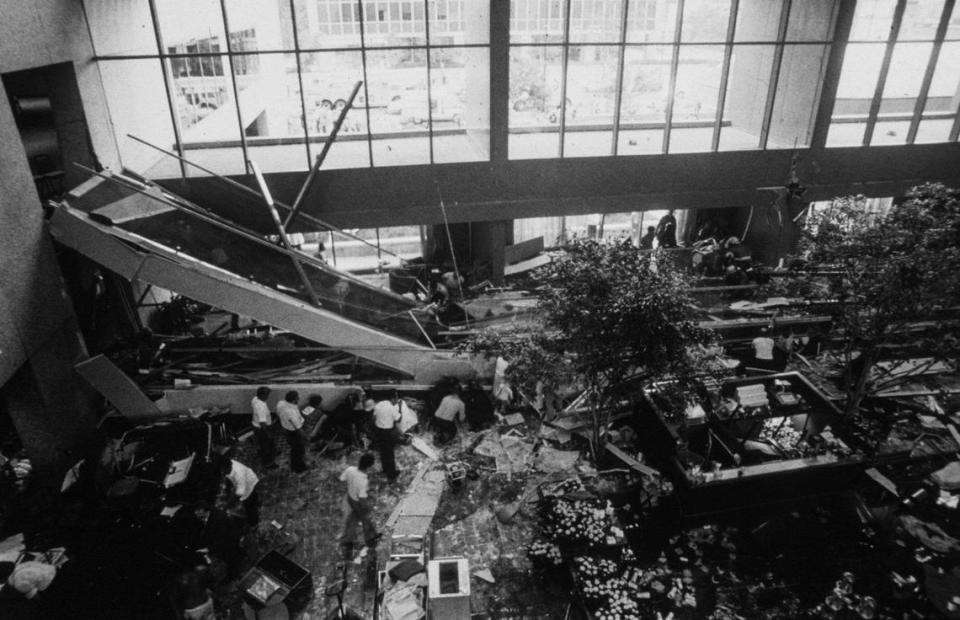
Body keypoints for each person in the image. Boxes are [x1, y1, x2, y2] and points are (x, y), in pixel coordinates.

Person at [338, 452, 381, 557]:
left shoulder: (350, 470)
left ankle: (369, 535)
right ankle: (369, 537)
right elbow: (362, 497)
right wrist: (366, 507)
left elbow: (342, 479)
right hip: (358, 502)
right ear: (369, 466)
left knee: (354, 519)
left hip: (350, 498)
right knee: (365, 518)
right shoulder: (363, 480)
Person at [221, 457, 261, 527]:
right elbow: (228, 477)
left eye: (224, 471)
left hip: (248, 484)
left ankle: (253, 523)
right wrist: (227, 488)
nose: (222, 473)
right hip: (246, 479)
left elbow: (239, 493)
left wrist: (227, 506)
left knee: (249, 506)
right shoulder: (226, 464)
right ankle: (256, 503)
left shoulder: (239, 473)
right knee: (253, 498)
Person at [370, 393, 401, 481]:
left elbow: (373, 417)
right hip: (387, 432)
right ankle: (391, 474)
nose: (396, 401)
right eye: (396, 399)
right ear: (393, 399)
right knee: (390, 453)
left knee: (383, 451)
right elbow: (398, 419)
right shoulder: (392, 408)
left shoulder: (378, 405)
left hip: (379, 431)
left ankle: (384, 469)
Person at [276, 390, 308, 473]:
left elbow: (278, 414)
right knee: (298, 450)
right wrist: (306, 437)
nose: (299, 398)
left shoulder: (281, 403)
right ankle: (298, 468)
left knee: (294, 448)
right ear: (294, 399)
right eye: (298, 398)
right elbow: (298, 429)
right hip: (294, 433)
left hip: (286, 429)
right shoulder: (291, 412)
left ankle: (296, 465)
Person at [250, 387, 277, 470]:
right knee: (265, 445)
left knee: (265, 443)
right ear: (262, 395)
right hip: (262, 429)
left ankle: (272, 452)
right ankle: (268, 463)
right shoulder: (260, 407)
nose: (268, 396)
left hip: (256, 425)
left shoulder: (255, 399)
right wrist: (268, 434)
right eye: (267, 395)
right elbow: (262, 423)